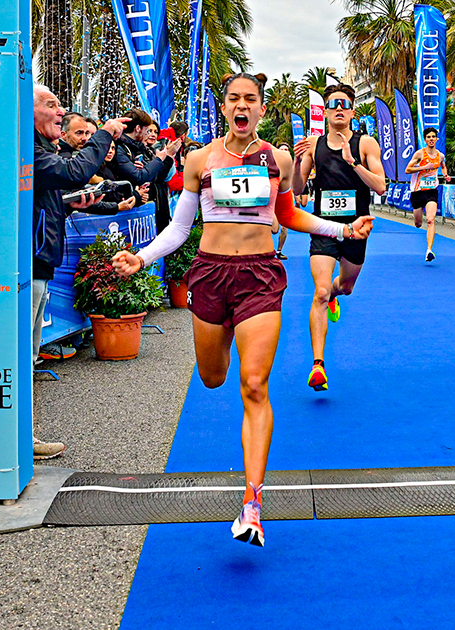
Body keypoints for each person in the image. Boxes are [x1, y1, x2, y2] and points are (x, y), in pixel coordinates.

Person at [112, 73, 374, 546]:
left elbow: (289, 215)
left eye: (251, 99)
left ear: (261, 109)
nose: (242, 106)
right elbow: (178, 228)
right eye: (234, 98)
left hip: (259, 276)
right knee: (213, 377)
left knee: (254, 385)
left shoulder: (278, 160)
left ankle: (253, 502)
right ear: (225, 106)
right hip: (210, 275)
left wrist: (342, 232)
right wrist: (143, 258)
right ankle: (223, 344)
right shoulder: (200, 160)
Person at [33, 87, 135, 460]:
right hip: (29, 264)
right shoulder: (26, 148)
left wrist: (75, 203)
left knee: (27, 354)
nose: (61, 111)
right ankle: (16, 439)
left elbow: (46, 199)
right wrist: (105, 133)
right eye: (52, 105)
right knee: (20, 354)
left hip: (42, 261)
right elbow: (75, 169)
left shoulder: (42, 149)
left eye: (60, 104)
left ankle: (21, 437)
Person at [293, 83, 387, 391]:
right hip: (322, 227)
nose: (338, 109)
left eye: (344, 104)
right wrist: (297, 164)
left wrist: (352, 162)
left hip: (357, 229)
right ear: (327, 110)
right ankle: (318, 365)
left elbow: (381, 187)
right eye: (333, 103)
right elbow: (296, 189)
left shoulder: (365, 143)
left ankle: (336, 295)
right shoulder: (314, 144)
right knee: (319, 292)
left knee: (344, 287)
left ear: (352, 110)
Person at [109, 108, 182, 233]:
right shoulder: (120, 147)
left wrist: (165, 159)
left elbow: (154, 176)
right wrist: (161, 159)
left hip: (150, 206)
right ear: (138, 128)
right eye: (147, 130)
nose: (150, 134)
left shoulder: (142, 148)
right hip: (125, 210)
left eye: (154, 131)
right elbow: (140, 176)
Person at [405, 127, 446, 261]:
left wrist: (446, 175)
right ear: (425, 139)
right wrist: (424, 167)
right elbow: (407, 170)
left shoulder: (440, 155)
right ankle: (418, 220)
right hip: (417, 191)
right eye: (428, 137)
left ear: (437, 138)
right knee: (418, 223)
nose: (431, 139)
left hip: (431, 191)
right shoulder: (419, 154)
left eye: (433, 136)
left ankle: (429, 250)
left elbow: (443, 165)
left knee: (430, 219)